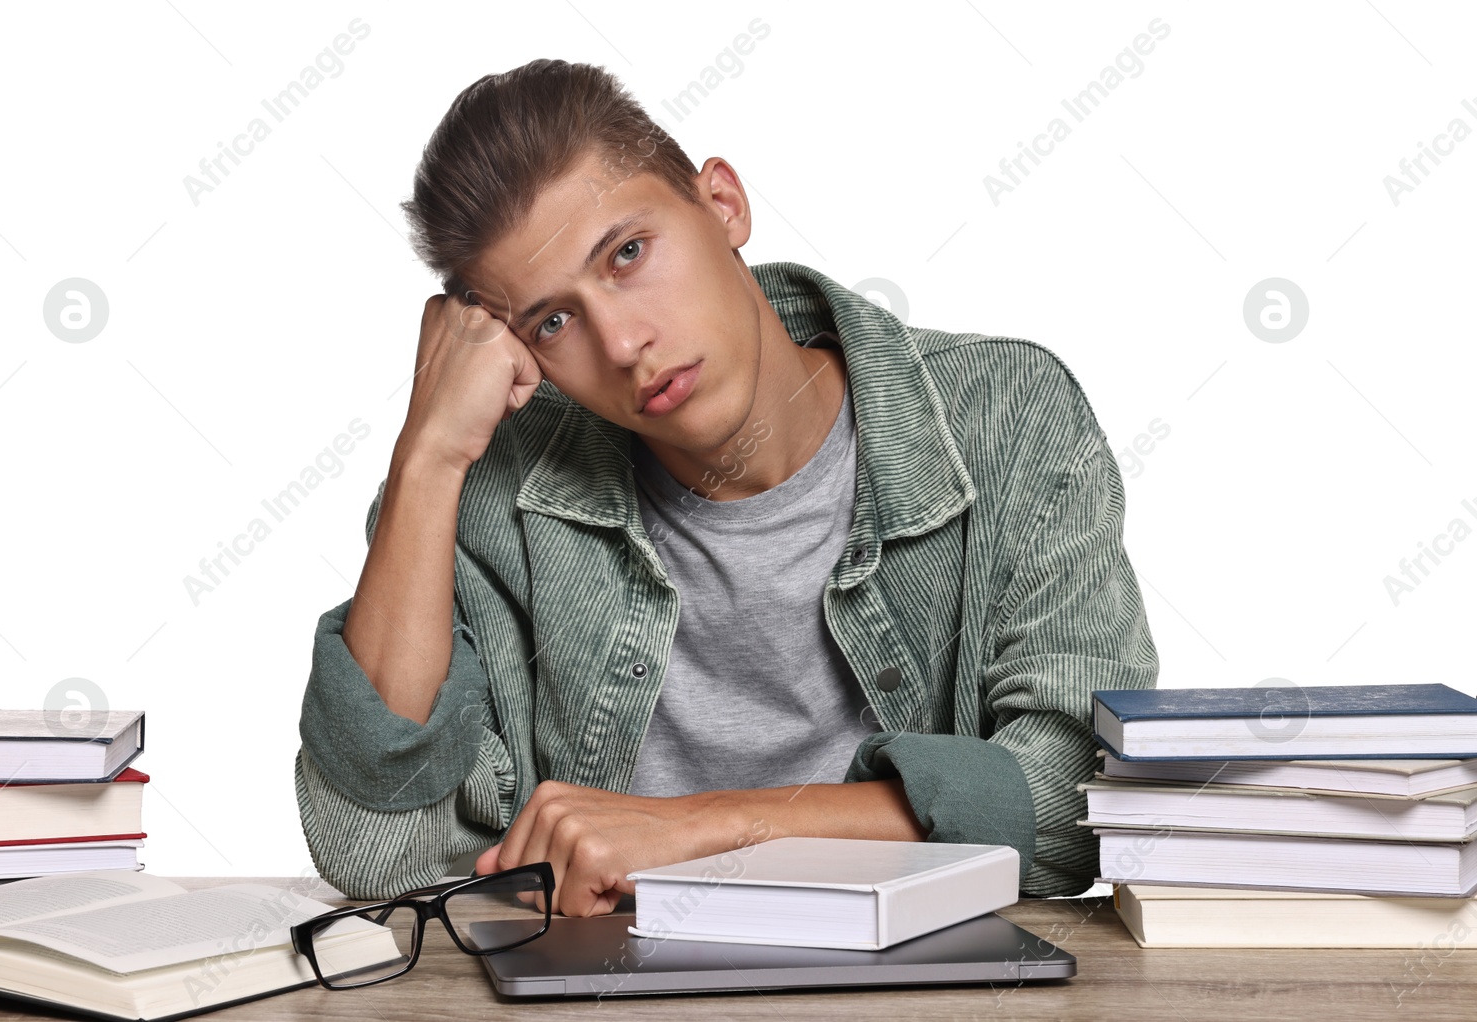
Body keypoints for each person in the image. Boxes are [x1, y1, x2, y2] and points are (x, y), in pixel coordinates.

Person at [294, 58, 1158, 917]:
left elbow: (1085, 802)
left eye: (628, 253)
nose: (624, 341)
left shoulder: (1006, 416)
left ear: (722, 203)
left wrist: (708, 828)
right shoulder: (495, 491)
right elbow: (382, 845)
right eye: (553, 321)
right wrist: (429, 455)